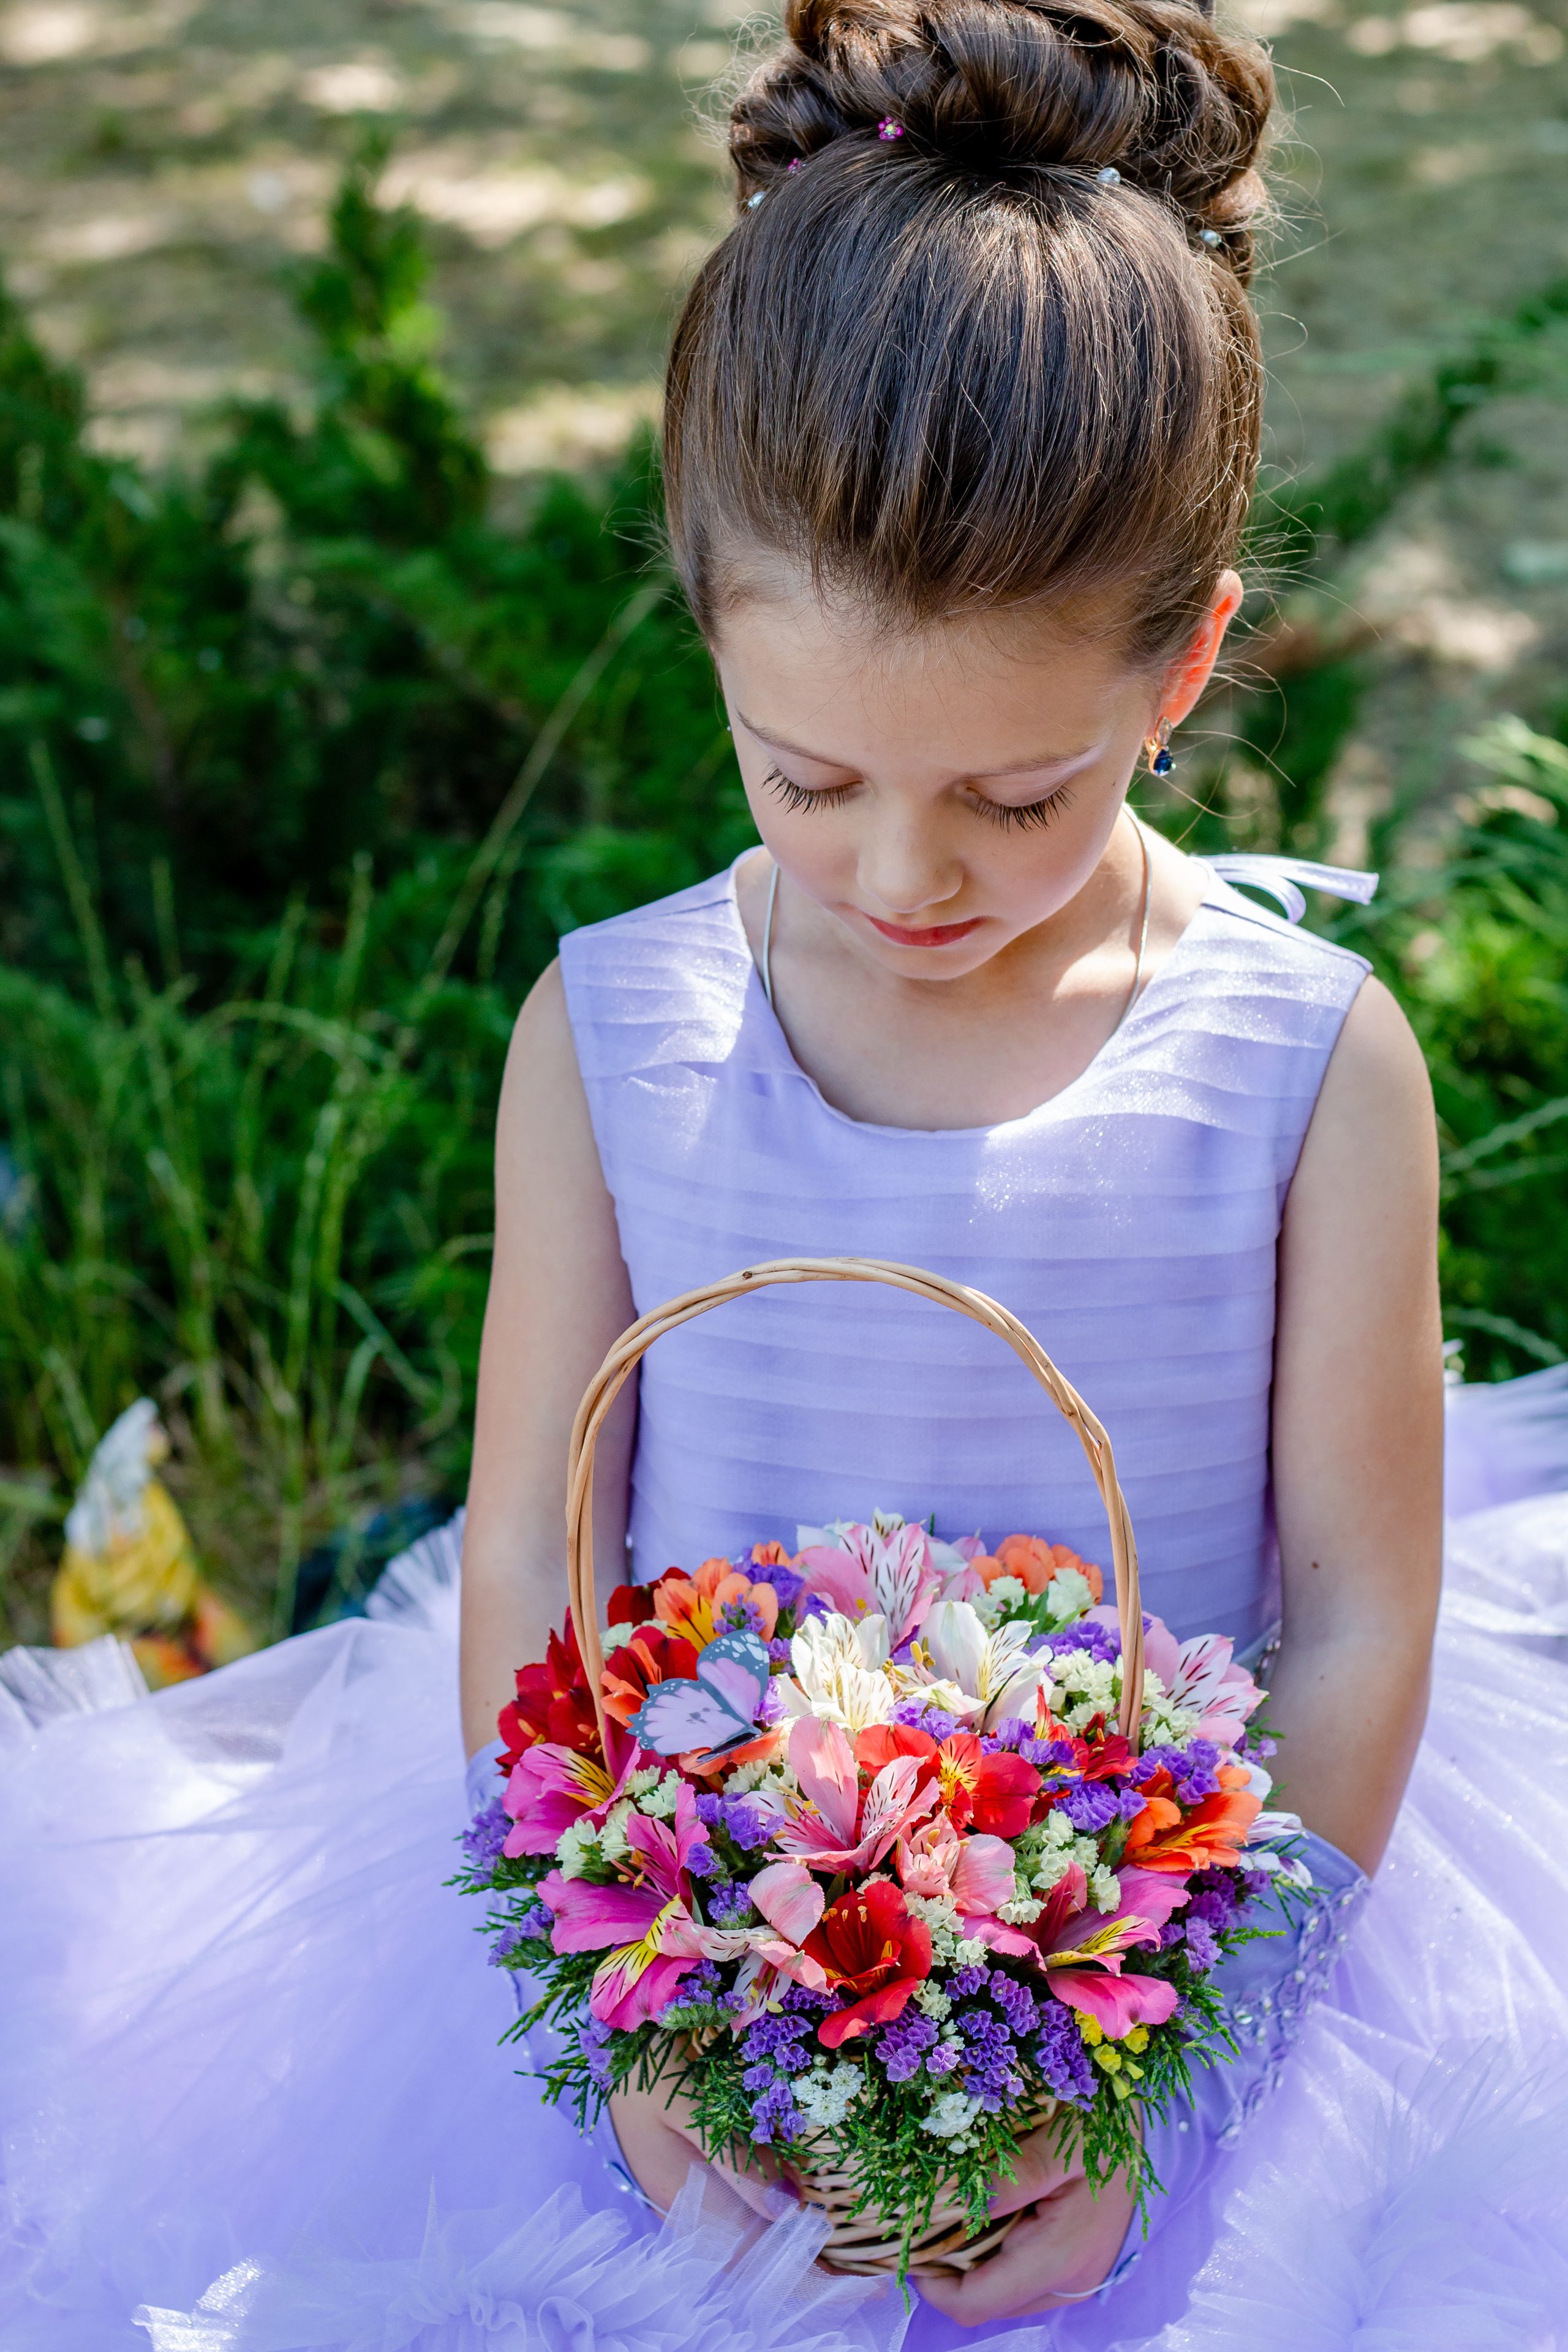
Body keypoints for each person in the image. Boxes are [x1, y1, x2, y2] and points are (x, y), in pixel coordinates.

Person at [3, 0, 1567, 2344]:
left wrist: (1185, 2073)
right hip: (693, 1912)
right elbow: (542, 1535)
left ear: (1190, 661)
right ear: (711, 634)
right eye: (803, 775)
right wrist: (621, 2007)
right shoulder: (619, 1032)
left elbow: (1351, 1608)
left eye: (1017, 798)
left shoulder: (1299, 1060)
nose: (906, 872)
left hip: (1209, 1931)